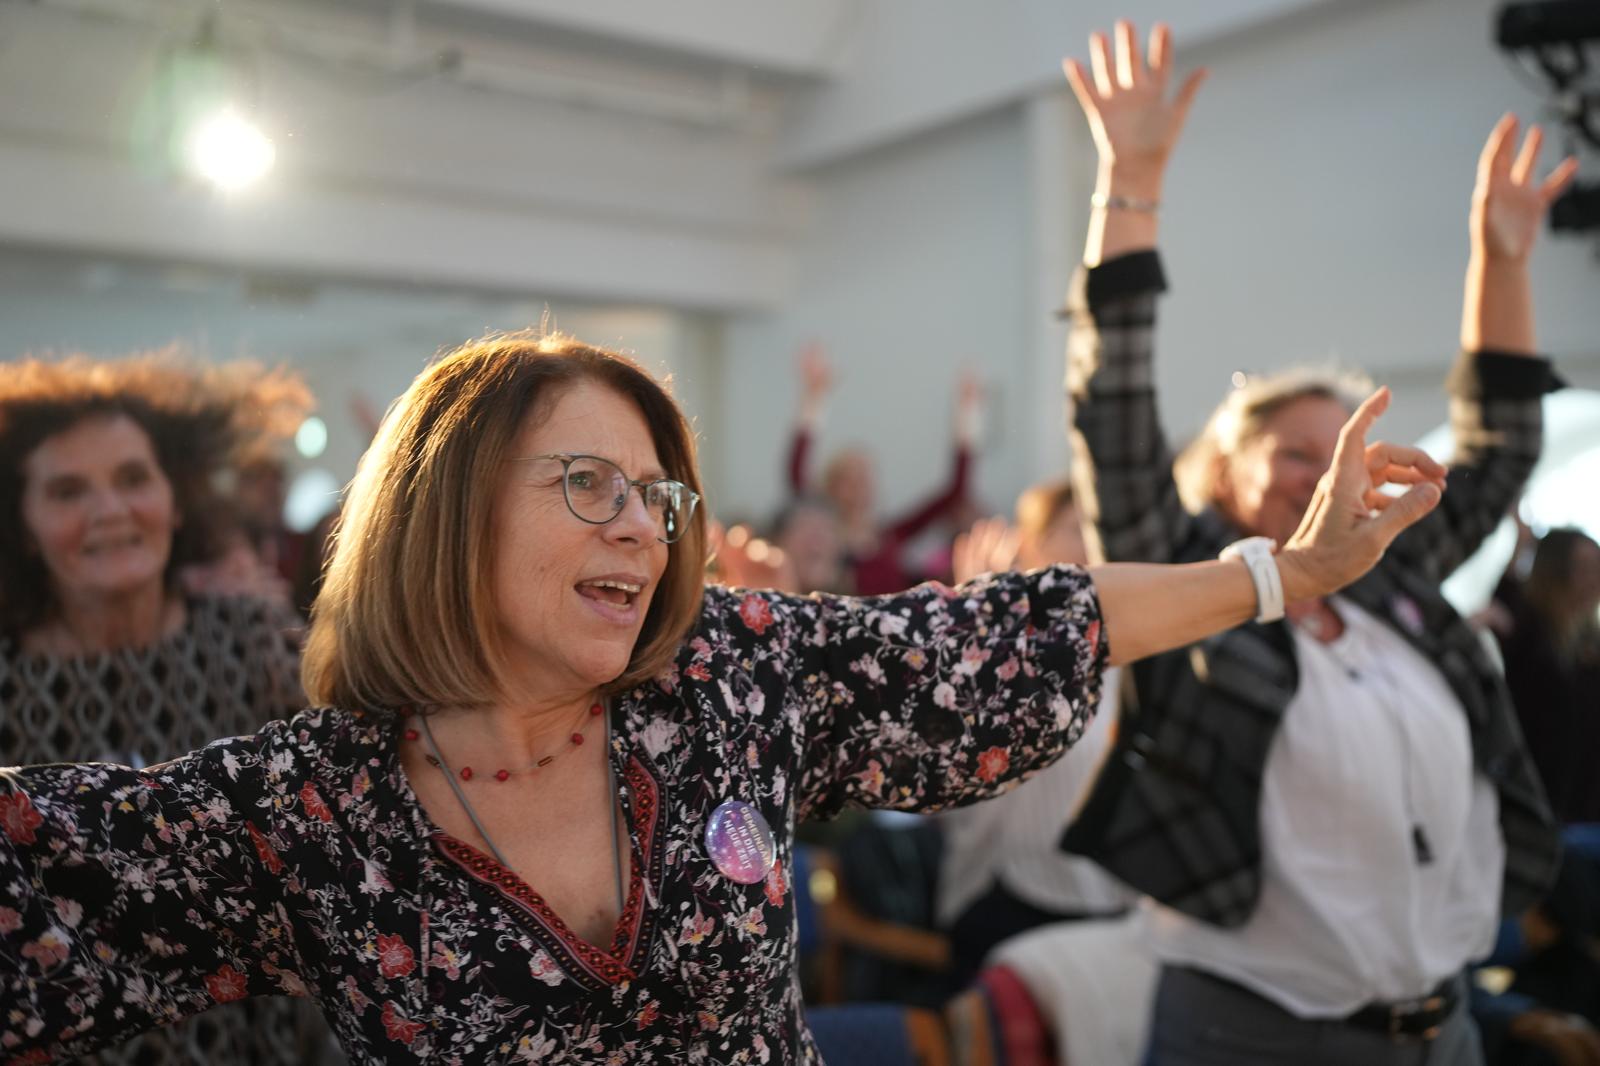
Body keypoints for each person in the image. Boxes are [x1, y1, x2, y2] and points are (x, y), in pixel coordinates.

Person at [0, 326, 1442, 1063]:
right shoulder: (308, 803)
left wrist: (1278, 571)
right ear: (445, 508)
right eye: (588, 484)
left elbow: (1012, 629)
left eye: (657, 492)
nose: (643, 524)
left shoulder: (725, 677)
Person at [1057, 21, 1573, 1065]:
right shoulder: (1191, 581)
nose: (1325, 467)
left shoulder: (1396, 579)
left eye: (1341, 445)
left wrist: (1500, 258)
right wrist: (1132, 180)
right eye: (1294, 452)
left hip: (1445, 1026)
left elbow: (1502, 441)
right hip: (1251, 1034)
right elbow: (1111, 416)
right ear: (1228, 472)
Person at [0, 353, 332, 1064]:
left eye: (132, 478)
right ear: (22, 523)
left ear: (177, 499)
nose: (110, 511)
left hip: (265, 1043)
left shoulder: (259, 648)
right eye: (67, 491)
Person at [937, 482, 1136, 989]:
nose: (1094, 543)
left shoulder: (1133, 645)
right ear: (1033, 544)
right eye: (1077, 529)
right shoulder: (1000, 648)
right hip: (1010, 904)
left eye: (1101, 528)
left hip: (1118, 913)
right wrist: (982, 644)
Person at [787, 343, 981, 594]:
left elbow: (956, 491)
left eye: (865, 477)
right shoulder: (828, 544)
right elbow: (796, 476)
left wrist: (967, 413)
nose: (860, 488)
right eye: (849, 479)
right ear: (831, 486)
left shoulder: (891, 537)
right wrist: (813, 399)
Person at [1490, 527, 1600, 825]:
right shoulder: (1530, 629)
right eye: (1584, 569)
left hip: (1582, 815)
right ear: (1556, 572)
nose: (1595, 580)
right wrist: (1520, 547)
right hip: (1531, 809)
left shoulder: (1590, 643)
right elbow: (1506, 598)